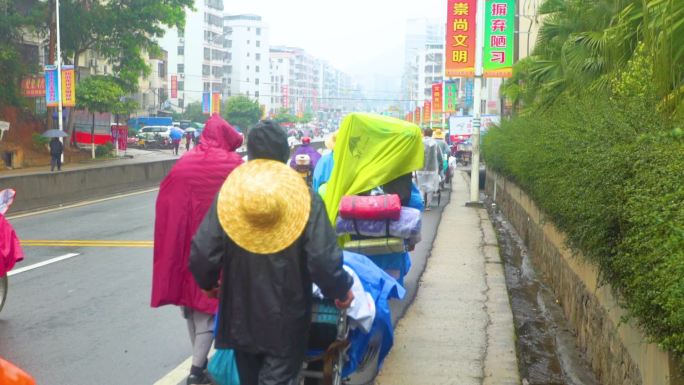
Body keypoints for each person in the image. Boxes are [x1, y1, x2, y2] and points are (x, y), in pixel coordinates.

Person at [189, 120, 354, 385]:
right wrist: (341, 289)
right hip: (286, 318)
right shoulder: (305, 197)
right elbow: (322, 258)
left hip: (239, 316)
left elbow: (202, 250)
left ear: (250, 153)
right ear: (284, 154)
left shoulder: (231, 194)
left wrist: (208, 284)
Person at [151, 113, 244, 385]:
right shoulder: (235, 166)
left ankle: (198, 366)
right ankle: (196, 370)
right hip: (219, 250)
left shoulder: (183, 164)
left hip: (185, 249)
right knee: (207, 309)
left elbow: (166, 207)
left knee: (192, 308)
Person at [415, 128, 442, 210]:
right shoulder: (435, 143)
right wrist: (440, 165)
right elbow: (439, 156)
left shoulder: (419, 143)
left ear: (424, 133)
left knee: (421, 186)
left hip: (420, 168)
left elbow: (415, 155)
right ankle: (428, 205)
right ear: (431, 134)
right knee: (430, 186)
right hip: (432, 169)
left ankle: (422, 202)